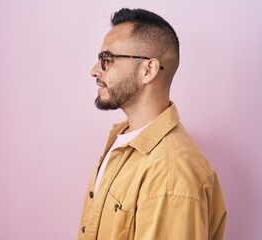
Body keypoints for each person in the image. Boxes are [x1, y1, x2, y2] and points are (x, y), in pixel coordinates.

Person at [79, 8, 227, 240]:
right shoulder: (123, 139)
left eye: (107, 59)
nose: (95, 70)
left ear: (148, 70)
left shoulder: (171, 174)